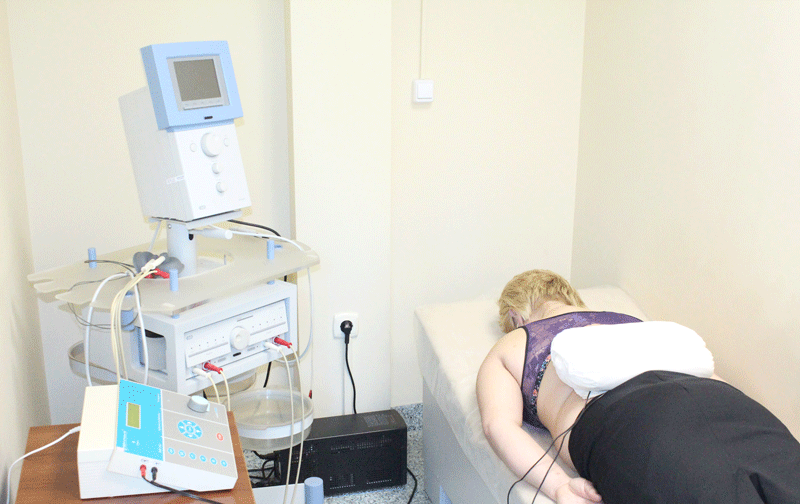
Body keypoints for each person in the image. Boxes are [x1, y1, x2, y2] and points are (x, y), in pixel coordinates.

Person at [476, 269, 800, 504]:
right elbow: (709, 374)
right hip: (729, 407)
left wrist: (560, 486)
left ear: (516, 317)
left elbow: (498, 426)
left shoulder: (515, 343)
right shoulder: (633, 323)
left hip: (636, 425)